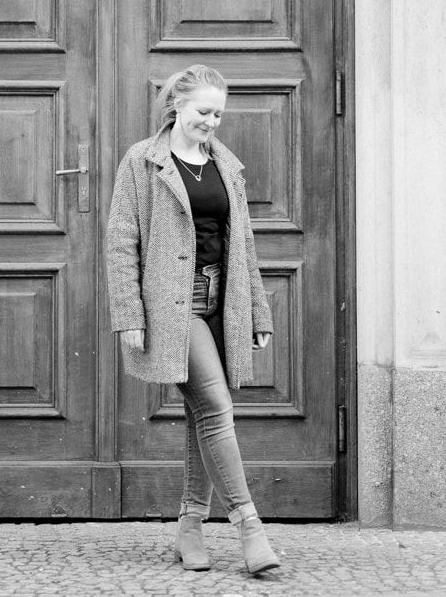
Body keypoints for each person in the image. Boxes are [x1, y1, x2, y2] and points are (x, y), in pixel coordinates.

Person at [105, 63, 282, 576]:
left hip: (220, 302)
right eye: (203, 111)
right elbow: (121, 243)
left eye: (219, 114)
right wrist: (129, 315)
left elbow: (243, 243)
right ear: (176, 106)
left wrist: (257, 309)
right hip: (171, 306)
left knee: (200, 416)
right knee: (217, 407)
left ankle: (191, 524)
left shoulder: (227, 165)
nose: (212, 122)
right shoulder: (142, 162)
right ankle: (249, 526)